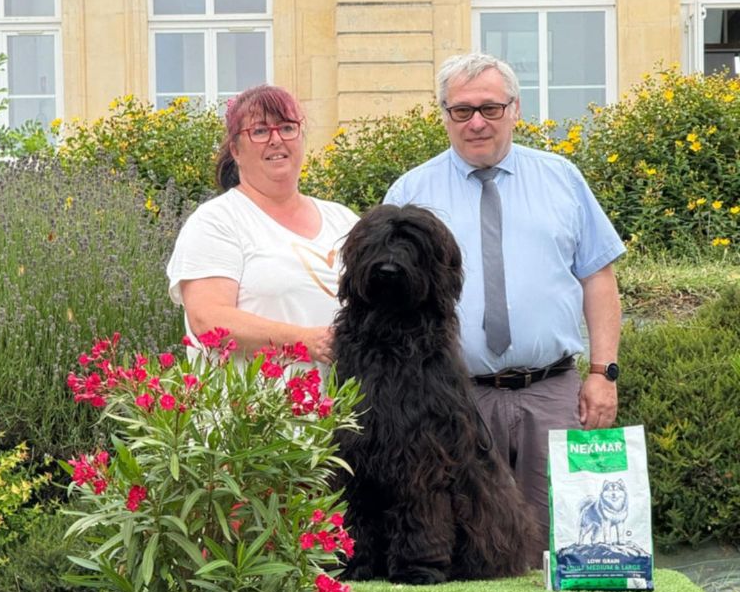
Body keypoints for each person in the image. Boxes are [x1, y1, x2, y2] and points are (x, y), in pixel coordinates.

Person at [384, 52, 626, 562]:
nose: (476, 122)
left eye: (490, 109)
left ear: (515, 110)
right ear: (444, 114)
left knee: (567, 543)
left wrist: (604, 373)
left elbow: (598, 279)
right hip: (452, 396)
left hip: (552, 394)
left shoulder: (562, 179)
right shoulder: (411, 192)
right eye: (461, 110)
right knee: (469, 546)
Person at [167, 85, 359, 364]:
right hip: (253, 407)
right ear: (235, 149)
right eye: (259, 131)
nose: (276, 139)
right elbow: (207, 320)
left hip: (342, 406)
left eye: (287, 128)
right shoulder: (216, 222)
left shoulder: (343, 220)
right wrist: (305, 341)